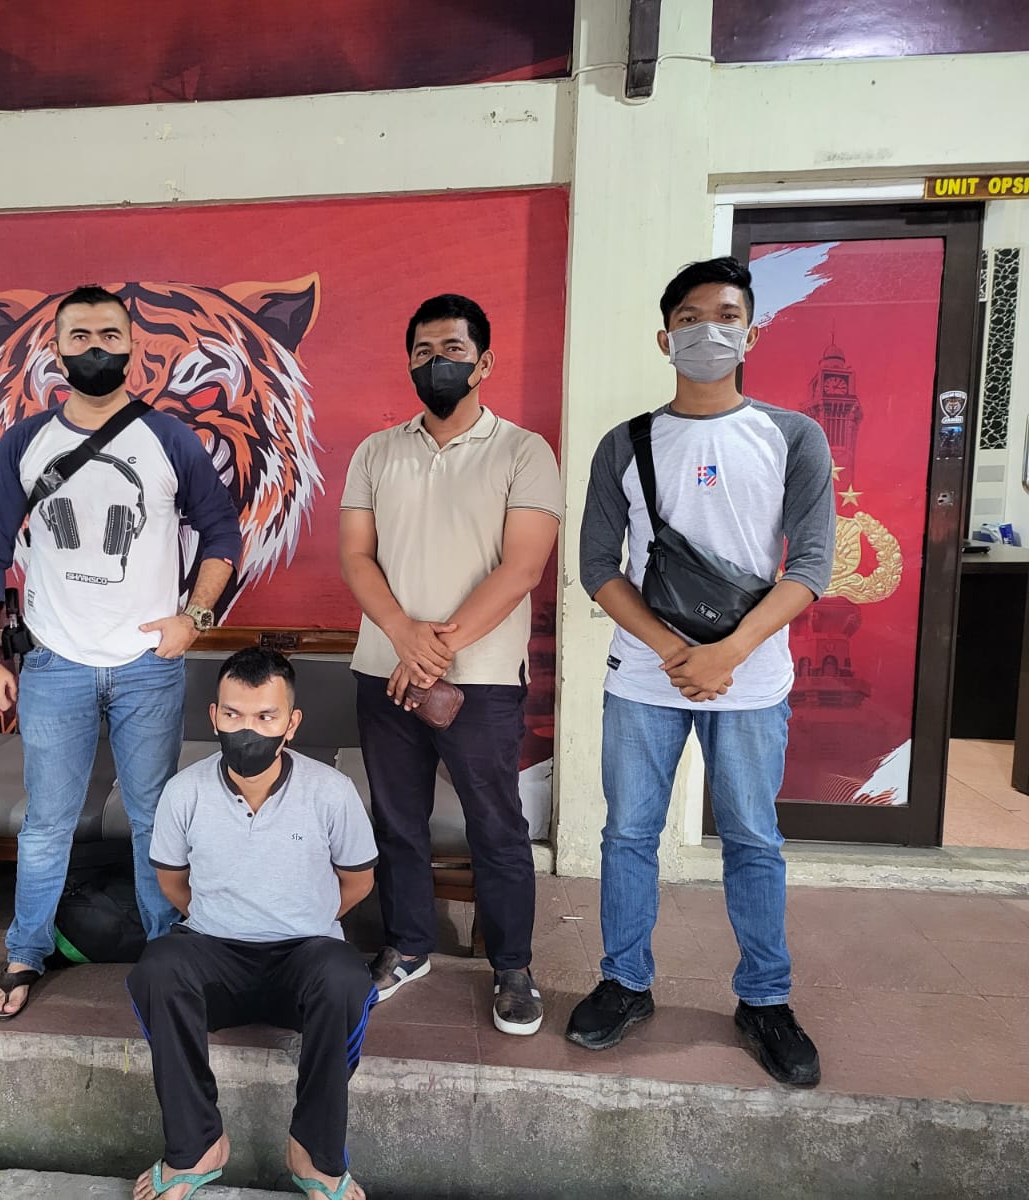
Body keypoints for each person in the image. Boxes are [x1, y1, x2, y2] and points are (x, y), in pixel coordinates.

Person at [570, 256, 834, 1087]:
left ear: (751, 334)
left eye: (726, 316)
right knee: (628, 834)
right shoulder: (626, 443)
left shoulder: (793, 436)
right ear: (665, 338)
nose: (707, 330)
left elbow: (813, 564)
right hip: (644, 679)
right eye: (689, 318)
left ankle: (765, 998)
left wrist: (728, 652)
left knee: (753, 837)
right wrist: (673, 649)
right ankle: (624, 982)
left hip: (750, 681)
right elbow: (597, 565)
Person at [0, 285, 243, 1020]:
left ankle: (167, 960)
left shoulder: (169, 439)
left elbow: (223, 533)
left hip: (148, 666)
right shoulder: (25, 443)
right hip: (54, 664)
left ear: (131, 346)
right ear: (56, 349)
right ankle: (25, 952)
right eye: (80, 335)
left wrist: (195, 618)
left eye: (110, 335)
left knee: (154, 819)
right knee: (47, 823)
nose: (96, 347)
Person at [339, 293, 561, 1035]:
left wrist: (434, 648)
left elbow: (522, 567)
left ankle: (513, 967)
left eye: (454, 350)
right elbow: (357, 557)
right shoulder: (375, 453)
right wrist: (403, 636)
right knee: (397, 820)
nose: (437, 363)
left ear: (484, 362)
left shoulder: (523, 451)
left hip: (484, 680)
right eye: (424, 352)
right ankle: (408, 947)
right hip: (384, 670)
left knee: (496, 826)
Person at [127, 648, 377, 1200]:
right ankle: (197, 1147)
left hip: (304, 959)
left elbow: (358, 881)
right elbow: (172, 882)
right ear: (214, 716)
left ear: (292, 723)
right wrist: (227, 917)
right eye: (234, 714)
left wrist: (302, 915)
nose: (248, 730)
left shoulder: (330, 791)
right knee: (159, 968)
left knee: (346, 979)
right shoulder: (184, 791)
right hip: (214, 957)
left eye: (266, 716)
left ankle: (315, 1155)